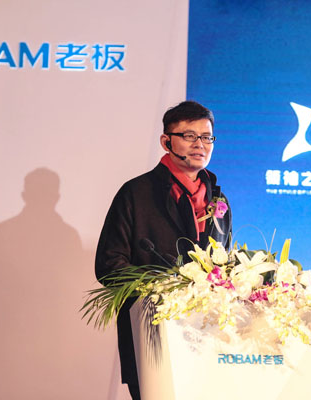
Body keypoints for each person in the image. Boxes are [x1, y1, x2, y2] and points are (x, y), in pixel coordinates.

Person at [95, 100, 232, 400]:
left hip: (207, 340)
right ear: (166, 141)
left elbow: (224, 266)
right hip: (153, 337)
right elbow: (109, 265)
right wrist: (164, 289)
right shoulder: (136, 193)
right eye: (190, 136)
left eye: (207, 137)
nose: (200, 144)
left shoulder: (219, 201)